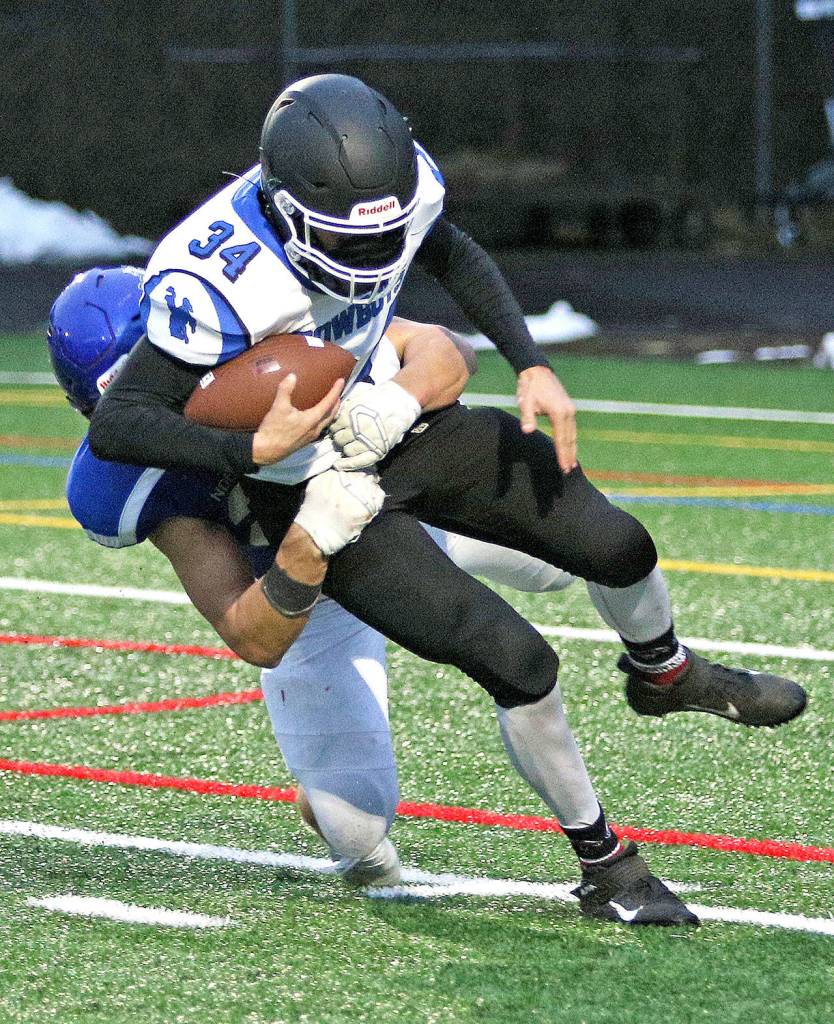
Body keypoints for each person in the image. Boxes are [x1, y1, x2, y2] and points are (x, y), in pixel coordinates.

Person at [87, 77, 806, 920]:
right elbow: (121, 422)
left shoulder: (399, 188)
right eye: (346, 240)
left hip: (397, 428)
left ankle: (665, 672)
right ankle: (607, 865)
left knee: (617, 543)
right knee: (518, 659)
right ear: (283, 208)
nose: (369, 257)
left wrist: (529, 359)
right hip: (318, 493)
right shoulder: (216, 275)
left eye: (385, 233)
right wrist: (250, 450)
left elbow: (452, 255)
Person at [52, 265, 697, 926]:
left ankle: (664, 666)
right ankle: (320, 792)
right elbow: (252, 634)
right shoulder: (133, 484)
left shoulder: (260, 330)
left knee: (572, 557)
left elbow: (447, 350)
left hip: (403, 514)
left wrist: (398, 400)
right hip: (313, 600)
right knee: (359, 837)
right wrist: (309, 539)